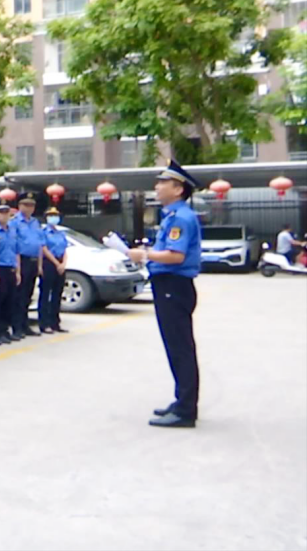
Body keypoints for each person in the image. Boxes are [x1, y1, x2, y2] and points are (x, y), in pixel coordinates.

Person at [127, 160, 203, 429]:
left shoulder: (181, 218)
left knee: (180, 348)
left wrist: (144, 255)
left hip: (174, 286)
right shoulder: (172, 216)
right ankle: (181, 400)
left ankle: (185, 410)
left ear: (178, 189)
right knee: (176, 347)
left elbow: (175, 255)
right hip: (168, 285)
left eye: (163, 183)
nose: (157, 187)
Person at [11, 192, 43, 338]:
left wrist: (40, 265)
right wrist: (17, 268)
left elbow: (39, 244)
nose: (29, 208)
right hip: (21, 260)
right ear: (19, 206)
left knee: (28, 295)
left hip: (33, 260)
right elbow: (14, 245)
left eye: (31, 205)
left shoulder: (35, 222)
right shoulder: (15, 222)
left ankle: (25, 325)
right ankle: (17, 326)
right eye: (26, 205)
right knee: (19, 296)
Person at [0, 200, 19, 346]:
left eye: (6, 213)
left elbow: (16, 251)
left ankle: (5, 330)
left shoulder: (12, 231)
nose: (4, 216)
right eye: (1, 212)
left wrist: (18, 271)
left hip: (11, 268)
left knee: (9, 301)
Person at [38, 207, 69, 335]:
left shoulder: (60, 233)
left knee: (57, 294)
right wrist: (56, 264)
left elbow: (65, 250)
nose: (54, 218)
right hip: (49, 263)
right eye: (51, 215)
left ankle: (55, 323)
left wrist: (63, 264)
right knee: (45, 294)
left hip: (60, 263)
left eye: (56, 215)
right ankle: (44, 324)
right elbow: (43, 249)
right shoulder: (43, 232)